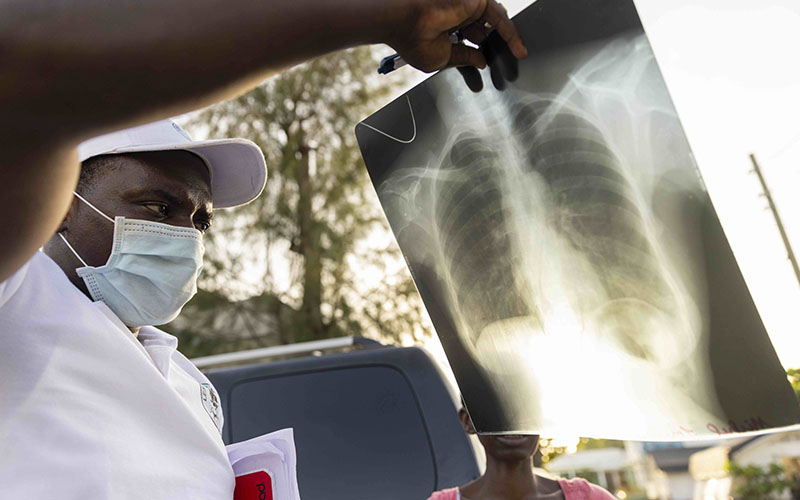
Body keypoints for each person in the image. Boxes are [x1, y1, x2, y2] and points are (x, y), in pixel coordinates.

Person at [0, 0, 526, 497]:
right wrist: (385, 13)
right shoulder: (17, 300)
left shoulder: (185, 380)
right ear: (61, 205)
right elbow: (28, 70)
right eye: (158, 208)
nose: (185, 234)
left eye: (201, 220)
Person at [427, 408, 616, 500]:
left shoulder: (590, 498)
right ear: (468, 420)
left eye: (525, 403)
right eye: (495, 405)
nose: (512, 417)